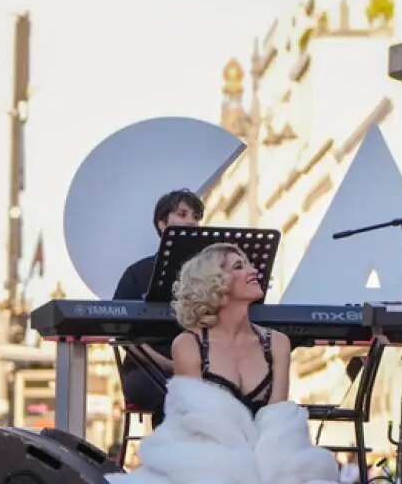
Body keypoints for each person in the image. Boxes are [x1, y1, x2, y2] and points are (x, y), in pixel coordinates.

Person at [109, 244, 337, 484]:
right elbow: (196, 431)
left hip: (266, 467)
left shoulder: (277, 343)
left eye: (249, 264)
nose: (254, 271)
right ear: (215, 283)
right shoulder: (188, 345)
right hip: (204, 464)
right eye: (240, 266)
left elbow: (278, 429)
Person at [112, 189, 204, 425]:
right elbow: (121, 332)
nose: (191, 222)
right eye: (182, 214)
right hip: (147, 368)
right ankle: (172, 459)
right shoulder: (137, 273)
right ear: (162, 224)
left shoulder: (210, 275)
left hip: (201, 366)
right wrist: (166, 364)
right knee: (177, 393)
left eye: (195, 216)